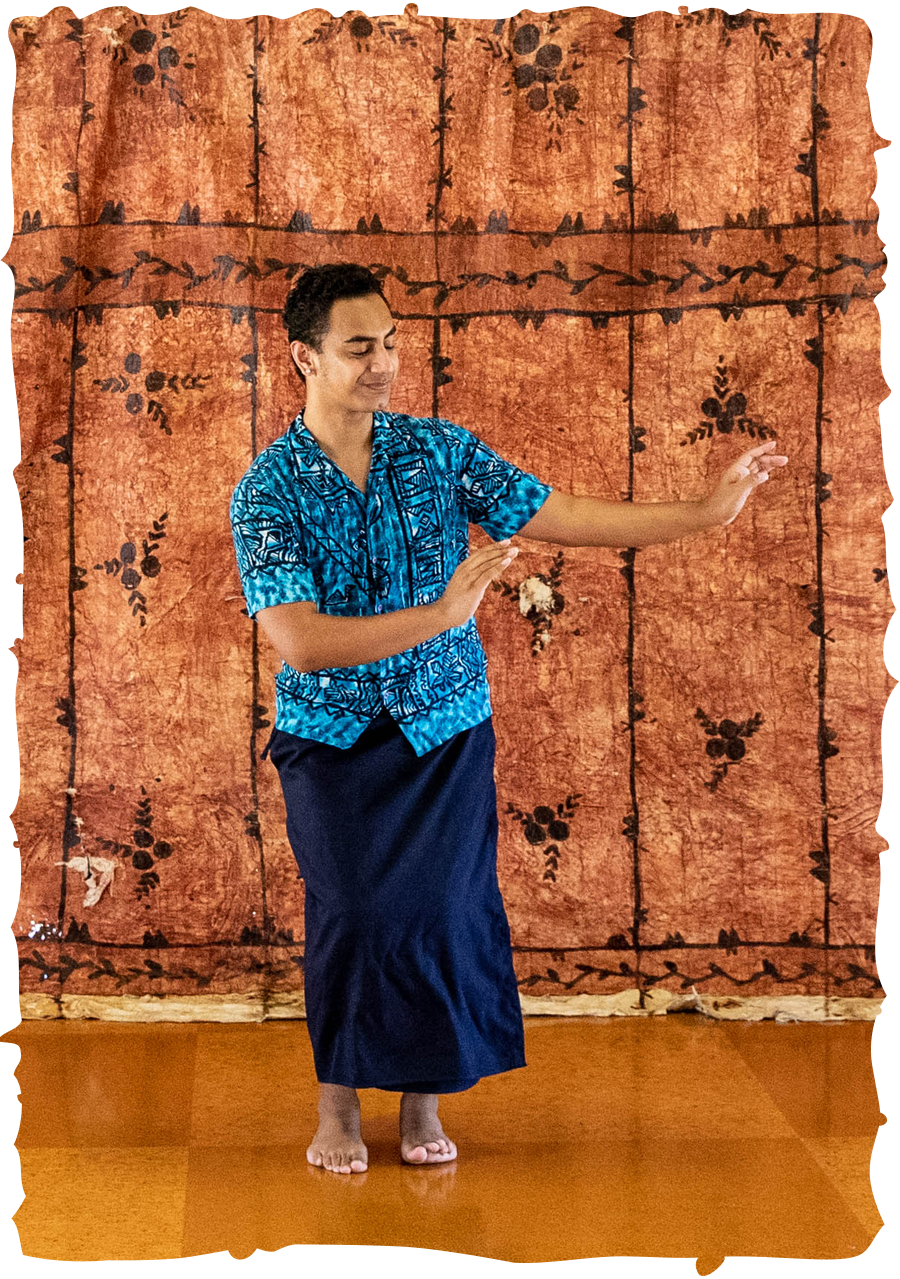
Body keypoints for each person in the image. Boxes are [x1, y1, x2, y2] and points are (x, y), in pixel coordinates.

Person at [229, 262, 789, 1175]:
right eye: (360, 346)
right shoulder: (267, 491)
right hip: (330, 739)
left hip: (445, 728)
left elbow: (560, 511)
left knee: (444, 911)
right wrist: (444, 616)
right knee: (353, 914)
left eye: (393, 341)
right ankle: (337, 1104)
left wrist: (704, 512)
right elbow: (301, 644)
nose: (385, 363)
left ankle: (421, 1103)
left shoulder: (440, 451)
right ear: (306, 357)